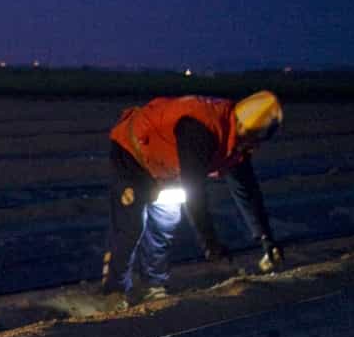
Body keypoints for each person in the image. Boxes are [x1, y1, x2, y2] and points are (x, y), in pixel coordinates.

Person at [101, 91, 285, 305]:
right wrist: (210, 243)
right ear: (244, 128)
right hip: (133, 153)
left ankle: (153, 284)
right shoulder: (201, 129)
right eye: (256, 139)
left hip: (166, 164)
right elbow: (195, 191)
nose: (256, 147)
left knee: (166, 220)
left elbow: (247, 192)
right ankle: (115, 290)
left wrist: (266, 238)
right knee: (131, 227)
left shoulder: (236, 140)